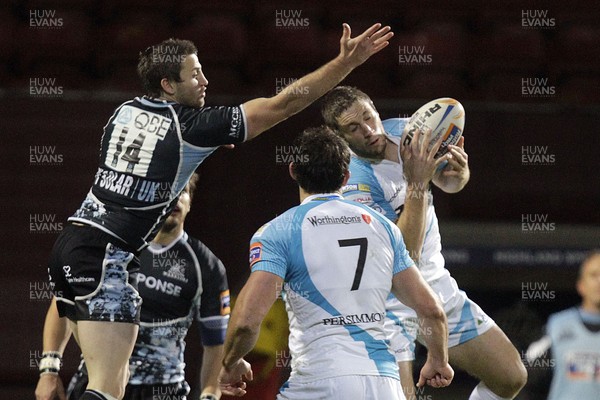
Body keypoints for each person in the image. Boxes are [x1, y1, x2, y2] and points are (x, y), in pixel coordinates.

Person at [46, 24, 394, 400]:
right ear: (168, 84)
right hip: (106, 255)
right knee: (108, 385)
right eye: (194, 74)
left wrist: (208, 141)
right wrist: (346, 62)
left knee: (102, 375)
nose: (205, 80)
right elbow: (284, 104)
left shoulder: (124, 111)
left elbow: (157, 154)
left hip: (71, 243)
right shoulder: (192, 127)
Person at [320, 86, 527, 400]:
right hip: (386, 301)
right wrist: (416, 183)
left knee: (510, 377)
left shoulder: (408, 130)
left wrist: (459, 173)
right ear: (339, 137)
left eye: (368, 116)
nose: (369, 130)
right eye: (354, 128)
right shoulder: (351, 181)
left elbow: (449, 182)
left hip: (434, 285)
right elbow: (404, 256)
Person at [218, 127, 454, 399]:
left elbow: (247, 322)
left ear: (293, 171)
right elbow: (432, 310)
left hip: (321, 382)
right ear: (346, 177)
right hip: (385, 385)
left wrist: (231, 361)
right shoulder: (385, 229)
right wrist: (438, 359)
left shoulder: (279, 232)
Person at [36, 175, 233, 400]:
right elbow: (63, 304)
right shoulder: (113, 247)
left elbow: (216, 342)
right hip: (98, 383)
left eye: (183, 192)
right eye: (168, 192)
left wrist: (210, 395)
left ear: (190, 202)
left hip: (163, 391)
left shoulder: (206, 265)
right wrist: (48, 371)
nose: (176, 199)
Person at [526, 250, 600, 400]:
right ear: (581, 286)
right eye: (593, 275)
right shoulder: (557, 326)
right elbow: (525, 374)